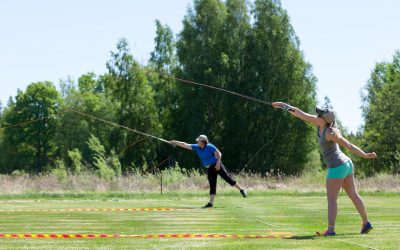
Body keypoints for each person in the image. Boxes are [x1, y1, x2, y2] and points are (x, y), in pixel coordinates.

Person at [272, 102, 377, 236]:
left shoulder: (331, 133)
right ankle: (366, 223)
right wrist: (282, 105)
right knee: (353, 195)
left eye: (319, 114)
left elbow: (348, 145)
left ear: (324, 119)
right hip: (346, 164)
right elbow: (300, 114)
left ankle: (331, 230)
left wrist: (365, 155)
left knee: (332, 199)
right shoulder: (319, 123)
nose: (316, 115)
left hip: (338, 166)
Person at [170, 135, 248, 208]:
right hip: (210, 167)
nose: (197, 142)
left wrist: (218, 163)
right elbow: (185, 144)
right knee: (212, 184)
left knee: (228, 179)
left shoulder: (209, 146)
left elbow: (219, 154)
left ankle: (241, 190)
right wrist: (174, 142)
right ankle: (211, 203)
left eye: (198, 141)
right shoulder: (197, 147)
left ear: (203, 142)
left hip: (217, 165)